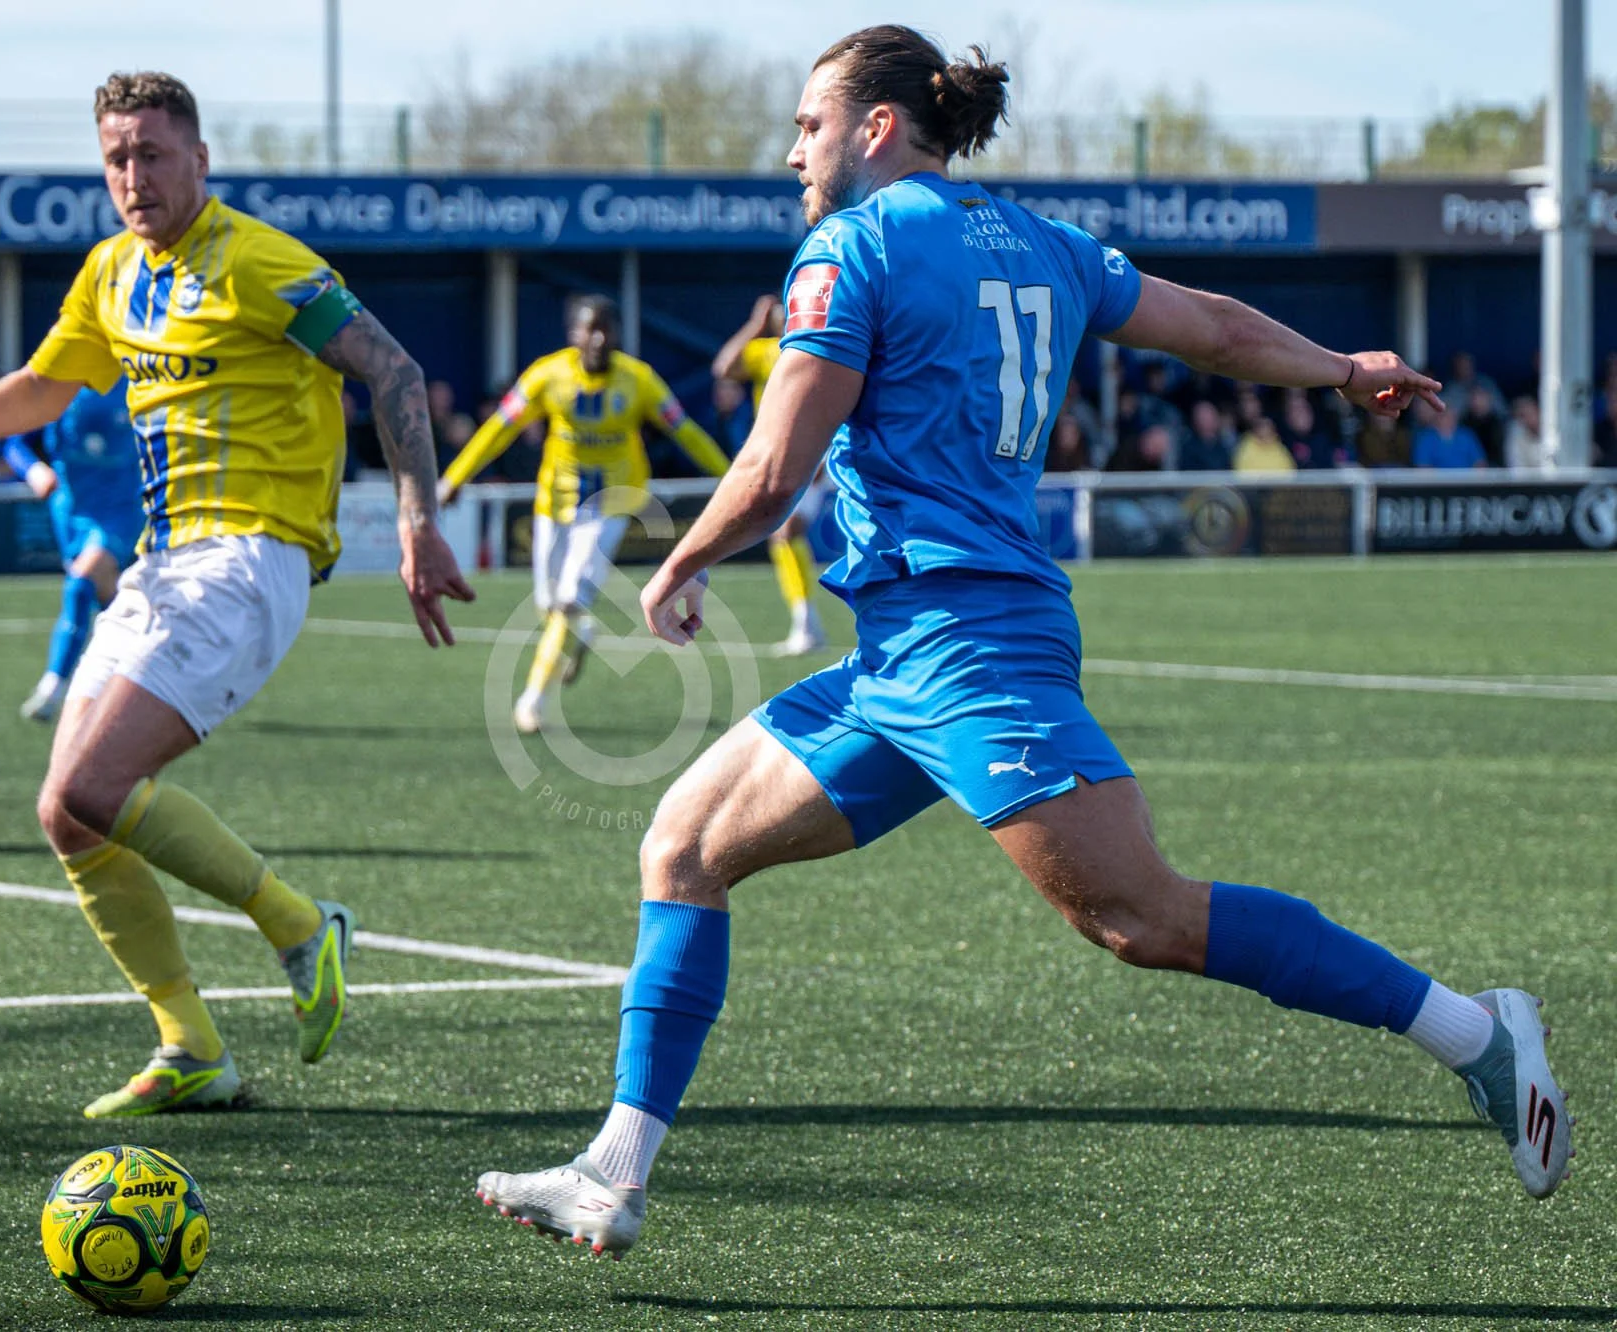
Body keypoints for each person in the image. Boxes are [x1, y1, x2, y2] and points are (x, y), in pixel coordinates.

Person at [476, 26, 1571, 1258]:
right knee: (679, 843)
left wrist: (676, 562)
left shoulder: (850, 247)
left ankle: (1475, 1034)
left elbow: (776, 463)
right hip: (900, 652)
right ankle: (613, 1175)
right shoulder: (1040, 242)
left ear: (874, 127)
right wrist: (1339, 366)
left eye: (806, 124)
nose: (792, 152)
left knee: (1140, 918)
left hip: (967, 644)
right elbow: (1206, 324)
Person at [0, 71, 472, 1118]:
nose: (133, 176)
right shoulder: (111, 271)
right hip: (163, 566)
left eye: (153, 154)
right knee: (66, 815)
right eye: (116, 157)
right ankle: (190, 1044)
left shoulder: (257, 260)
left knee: (99, 789)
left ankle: (300, 926)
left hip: (250, 559)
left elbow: (392, 370)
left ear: (200, 160)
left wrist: (419, 527)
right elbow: (48, 383)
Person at [439, 295, 730, 733]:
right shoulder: (547, 375)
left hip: (610, 507)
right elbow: (501, 428)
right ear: (571, 334)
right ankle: (580, 637)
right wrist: (456, 477)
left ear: (615, 334)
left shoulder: (639, 380)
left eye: (604, 329)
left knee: (569, 598)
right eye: (587, 329)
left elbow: (684, 430)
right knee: (548, 606)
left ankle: (533, 700)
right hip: (553, 503)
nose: (596, 338)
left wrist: (733, 478)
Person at [4, 379, 145, 722]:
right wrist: (34, 470)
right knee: (109, 601)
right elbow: (16, 443)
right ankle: (142, 681)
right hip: (71, 508)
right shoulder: (62, 381)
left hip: (120, 508)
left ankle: (54, 686)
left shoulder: (137, 380)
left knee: (81, 581)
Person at [714, 292, 830, 655]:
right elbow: (724, 367)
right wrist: (754, 325)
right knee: (783, 535)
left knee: (786, 532)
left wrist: (821, 457)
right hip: (787, 458)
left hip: (817, 454)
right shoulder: (768, 352)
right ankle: (806, 622)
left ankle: (807, 623)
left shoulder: (819, 349)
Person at [1411, 401, 1488, 470]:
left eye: (1451, 416)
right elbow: (1423, 466)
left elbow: (1480, 463)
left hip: (1467, 483)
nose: (1448, 419)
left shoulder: (1466, 436)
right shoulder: (1426, 438)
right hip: (1438, 484)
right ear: (1437, 418)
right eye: (1444, 416)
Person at [1232, 416, 1297, 474]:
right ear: (1256, 430)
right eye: (1262, 427)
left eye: (1268, 427)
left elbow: (1290, 471)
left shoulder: (1280, 448)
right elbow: (1242, 471)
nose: (1265, 430)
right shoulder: (1245, 447)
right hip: (1252, 487)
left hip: (1278, 486)